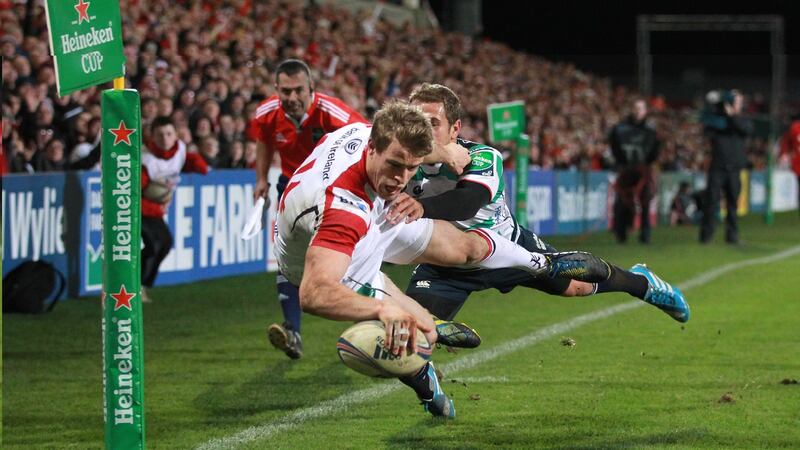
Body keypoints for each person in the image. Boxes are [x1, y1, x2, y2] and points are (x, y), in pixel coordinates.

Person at [275, 101, 588, 419]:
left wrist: (446, 152)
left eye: (411, 168)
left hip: (374, 209)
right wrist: (383, 309)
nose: (402, 178)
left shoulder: (369, 132)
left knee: (468, 248)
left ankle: (541, 263)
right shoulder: (344, 211)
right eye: (396, 165)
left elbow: (410, 149)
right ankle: (427, 382)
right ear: (373, 148)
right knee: (402, 330)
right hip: (322, 256)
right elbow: (315, 293)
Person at [384, 83, 688, 324]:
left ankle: (641, 283)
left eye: (433, 123)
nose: (422, 130)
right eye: (416, 121)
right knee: (413, 334)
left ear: (455, 128)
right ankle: (432, 391)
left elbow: (467, 202)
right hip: (445, 264)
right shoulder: (401, 163)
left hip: (510, 249)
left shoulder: (482, 156)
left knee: (576, 287)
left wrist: (422, 206)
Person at [247, 59, 367, 359]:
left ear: (311, 88)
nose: (292, 97)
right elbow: (263, 142)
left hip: (332, 189)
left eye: (298, 90)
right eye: (285, 91)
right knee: (286, 253)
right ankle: (292, 331)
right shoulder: (266, 113)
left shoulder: (333, 113)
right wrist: (261, 177)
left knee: (348, 258)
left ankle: (371, 321)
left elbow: (367, 137)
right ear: (276, 90)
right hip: (290, 187)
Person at [141, 116, 209, 302]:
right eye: (159, 135)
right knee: (155, 244)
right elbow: (136, 190)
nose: (165, 138)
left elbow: (189, 162)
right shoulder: (145, 158)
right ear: (152, 136)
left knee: (163, 244)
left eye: (169, 134)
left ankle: (141, 284)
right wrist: (156, 196)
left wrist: (199, 166)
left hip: (156, 210)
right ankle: (136, 284)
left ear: (176, 135)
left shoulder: (179, 149)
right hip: (139, 210)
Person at [699, 90, 752, 244]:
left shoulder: (742, 119)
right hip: (718, 167)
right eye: (737, 102)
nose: (740, 105)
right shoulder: (717, 121)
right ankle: (706, 237)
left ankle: (732, 236)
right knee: (711, 202)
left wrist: (732, 116)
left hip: (735, 169)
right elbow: (706, 127)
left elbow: (745, 129)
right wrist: (722, 111)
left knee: (733, 204)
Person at [608, 99, 659, 244]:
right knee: (622, 200)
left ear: (645, 111)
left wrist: (647, 164)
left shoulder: (651, 130)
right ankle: (620, 234)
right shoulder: (620, 128)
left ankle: (645, 236)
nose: (638, 111)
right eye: (635, 108)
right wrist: (622, 162)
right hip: (626, 169)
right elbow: (614, 145)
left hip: (643, 169)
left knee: (645, 201)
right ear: (632, 109)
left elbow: (656, 148)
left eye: (640, 108)